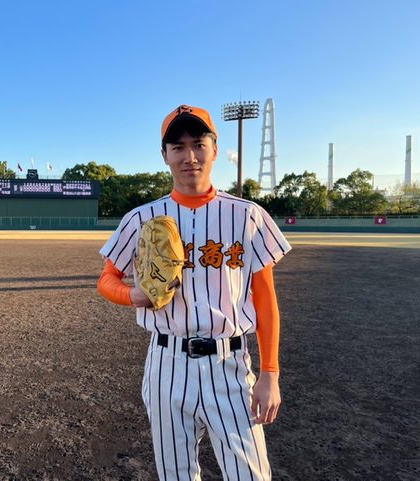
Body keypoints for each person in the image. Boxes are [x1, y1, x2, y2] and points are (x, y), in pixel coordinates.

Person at [98, 104, 291, 480]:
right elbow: (107, 279)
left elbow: (265, 298)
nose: (189, 156)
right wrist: (131, 296)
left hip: (230, 366)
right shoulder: (140, 219)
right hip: (167, 364)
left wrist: (270, 373)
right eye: (178, 147)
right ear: (164, 155)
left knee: (251, 475)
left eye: (198, 144)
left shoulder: (248, 215)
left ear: (215, 149)